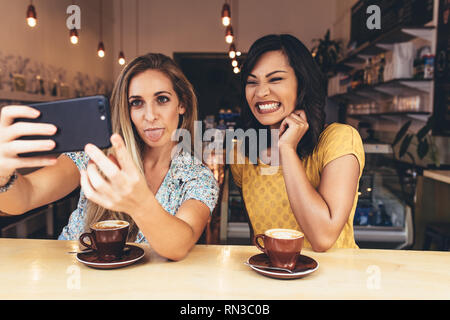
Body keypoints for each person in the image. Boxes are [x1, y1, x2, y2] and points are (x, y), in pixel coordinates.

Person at [0, 53, 219, 261]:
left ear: (182, 104)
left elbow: (178, 246)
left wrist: (139, 202)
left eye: (162, 99)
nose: (150, 116)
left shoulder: (196, 176)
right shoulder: (97, 154)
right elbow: (26, 197)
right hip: (70, 281)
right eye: (137, 102)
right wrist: (2, 175)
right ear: (127, 109)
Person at [230, 34, 365, 252]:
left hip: (334, 281)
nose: (261, 92)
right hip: (272, 279)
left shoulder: (339, 140)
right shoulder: (243, 153)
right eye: (252, 82)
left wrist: (287, 149)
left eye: (275, 79)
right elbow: (257, 237)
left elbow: (323, 238)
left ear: (301, 84)